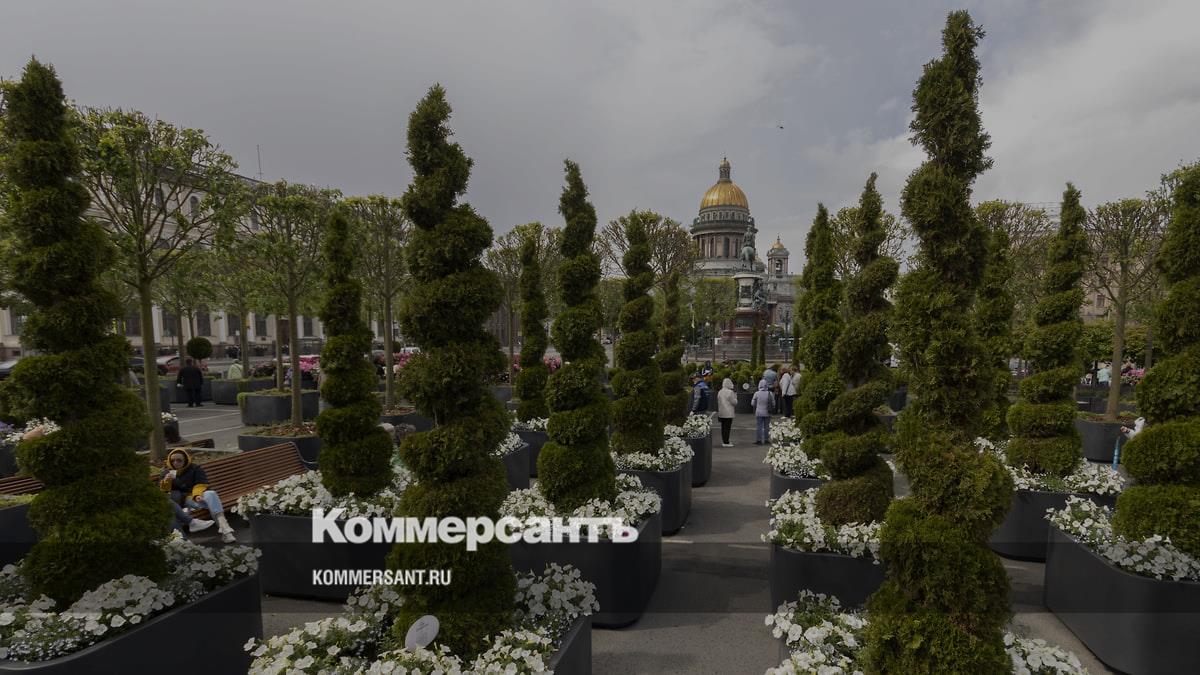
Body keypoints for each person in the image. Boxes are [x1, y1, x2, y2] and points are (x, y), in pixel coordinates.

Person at [158, 448, 234, 542]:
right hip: (182, 500)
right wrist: (166, 481)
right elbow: (164, 493)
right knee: (213, 503)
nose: (175, 463)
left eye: (179, 460)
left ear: (185, 460)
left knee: (211, 494)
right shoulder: (166, 473)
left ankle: (226, 530)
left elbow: (201, 483)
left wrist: (197, 495)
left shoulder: (194, 468)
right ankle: (226, 532)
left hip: (196, 495)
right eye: (173, 460)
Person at [751, 381, 773, 445]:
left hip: (759, 412)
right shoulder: (770, 393)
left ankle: (759, 440)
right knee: (767, 427)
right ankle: (766, 440)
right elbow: (773, 403)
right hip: (767, 412)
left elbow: (752, 403)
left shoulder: (757, 393)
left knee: (759, 427)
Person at [717, 377, 737, 447]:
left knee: (723, 427)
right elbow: (734, 402)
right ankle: (726, 442)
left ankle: (724, 440)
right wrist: (735, 396)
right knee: (727, 428)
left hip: (721, 412)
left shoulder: (720, 391)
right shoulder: (730, 392)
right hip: (728, 413)